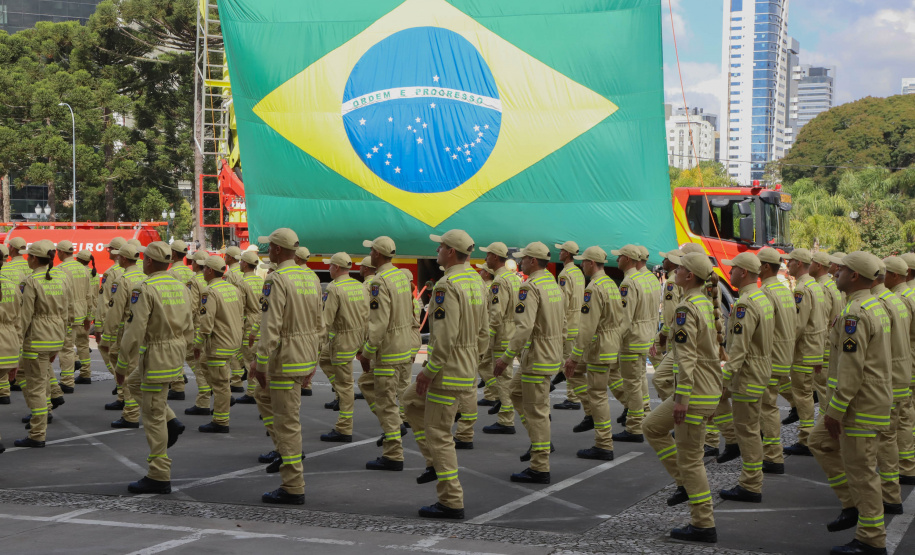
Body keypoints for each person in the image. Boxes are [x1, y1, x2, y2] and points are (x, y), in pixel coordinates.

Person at [808, 252, 891, 555]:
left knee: (863, 472)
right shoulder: (873, 305)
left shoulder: (856, 313)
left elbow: (852, 369)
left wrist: (836, 410)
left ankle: (871, 539)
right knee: (819, 442)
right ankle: (852, 504)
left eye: (841, 269)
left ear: (854, 276)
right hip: (866, 400)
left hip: (858, 404)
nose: (836, 273)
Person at [402, 230, 487, 519]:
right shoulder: (476, 280)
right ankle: (433, 464)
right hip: (464, 366)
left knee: (439, 434)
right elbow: (485, 331)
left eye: (440, 246)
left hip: (446, 370)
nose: (437, 250)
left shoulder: (446, 285)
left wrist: (429, 371)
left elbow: (444, 336)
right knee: (409, 402)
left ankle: (451, 500)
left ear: (451, 251)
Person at [643, 252, 720, 543]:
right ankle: (684, 484)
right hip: (705, 389)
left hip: (695, 392)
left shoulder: (687, 308)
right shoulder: (700, 302)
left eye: (680, 267)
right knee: (652, 427)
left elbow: (687, 358)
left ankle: (703, 523)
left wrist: (682, 399)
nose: (674, 269)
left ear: (690, 276)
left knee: (692, 461)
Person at [250, 228, 323, 504]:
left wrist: (260, 362)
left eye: (270, 246)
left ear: (278, 250)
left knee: (287, 422)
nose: (268, 250)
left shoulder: (277, 279)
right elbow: (320, 323)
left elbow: (271, 326)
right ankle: (283, 450)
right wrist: (314, 359)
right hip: (303, 356)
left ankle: (292, 484)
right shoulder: (311, 276)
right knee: (268, 402)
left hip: (284, 359)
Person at [119, 241, 193, 494]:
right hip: (175, 351)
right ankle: (171, 421)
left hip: (157, 354)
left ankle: (159, 475)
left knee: (152, 416)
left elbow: (135, 330)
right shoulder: (180, 285)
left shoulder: (145, 287)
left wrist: (121, 363)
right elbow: (189, 323)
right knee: (134, 385)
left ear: (148, 261)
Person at [494, 242, 565, 484]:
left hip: (537, 356)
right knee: (515, 392)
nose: (521, 261)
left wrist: (504, 359)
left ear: (533, 261)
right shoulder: (552, 284)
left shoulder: (530, 287)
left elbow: (524, 328)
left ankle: (540, 465)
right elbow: (563, 323)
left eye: (524, 258)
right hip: (548, 353)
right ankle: (540, 442)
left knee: (537, 413)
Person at [717, 252, 774, 502]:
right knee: (750, 426)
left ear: (743, 272)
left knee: (747, 430)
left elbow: (739, 349)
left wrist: (723, 377)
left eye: (733, 269)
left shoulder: (745, 303)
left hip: (747, 373)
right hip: (759, 369)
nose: (729, 273)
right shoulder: (761, 298)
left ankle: (751, 485)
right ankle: (750, 479)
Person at [356, 236, 415, 471]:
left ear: (377, 254)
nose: (370, 253)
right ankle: (396, 426)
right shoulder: (400, 276)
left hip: (388, 351)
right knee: (369, 386)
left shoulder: (378, 282)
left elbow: (378, 323)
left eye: (371, 250)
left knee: (386, 402)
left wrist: (367, 353)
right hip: (403, 347)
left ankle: (393, 453)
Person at [564, 246, 624, 461]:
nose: (581, 265)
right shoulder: (610, 283)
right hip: (609, 343)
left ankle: (604, 443)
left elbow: (587, 326)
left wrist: (574, 356)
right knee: (588, 383)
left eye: (584, 262)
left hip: (599, 346)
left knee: (598, 396)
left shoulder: (594, 288)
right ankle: (594, 416)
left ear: (591, 263)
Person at [14, 240, 72, 448]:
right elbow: (67, 311)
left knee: (36, 386)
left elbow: (25, 317)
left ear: (35, 258)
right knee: (31, 377)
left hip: (36, 339)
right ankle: (46, 408)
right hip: (55, 337)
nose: (27, 259)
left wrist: (17, 342)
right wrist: (62, 340)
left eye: (29, 256)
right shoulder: (62, 278)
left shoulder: (31, 281)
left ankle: (37, 433)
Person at [870, 259, 911, 515]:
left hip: (889, 378)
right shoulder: (896, 299)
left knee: (885, 438)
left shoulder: (883, 302)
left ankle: (889, 496)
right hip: (900, 373)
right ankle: (891, 492)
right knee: (893, 433)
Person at [782, 248, 828, 457]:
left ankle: (806, 438)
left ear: (798, 263)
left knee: (802, 395)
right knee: (807, 394)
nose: (787, 264)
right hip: (815, 346)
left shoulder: (802, 288)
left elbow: (798, 325)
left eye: (790, 261)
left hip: (804, 350)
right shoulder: (814, 285)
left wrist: (786, 345)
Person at [756, 247, 798, 475]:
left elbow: (763, 330)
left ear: (764, 267)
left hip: (770, 357)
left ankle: (773, 456)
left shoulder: (766, 293)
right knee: (767, 405)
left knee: (766, 407)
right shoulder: (783, 290)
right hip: (783, 355)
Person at [319, 252, 368, 443]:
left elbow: (327, 320)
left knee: (346, 385)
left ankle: (344, 427)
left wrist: (316, 342)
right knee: (324, 360)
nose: (328, 269)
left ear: (337, 268)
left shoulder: (334, 288)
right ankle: (340, 391)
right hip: (357, 336)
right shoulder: (359, 285)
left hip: (342, 340)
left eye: (330, 266)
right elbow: (366, 316)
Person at [194, 255, 244, 433]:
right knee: (207, 368)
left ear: (209, 270)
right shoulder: (232, 288)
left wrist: (197, 345)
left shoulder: (210, 291)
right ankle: (224, 398)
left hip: (219, 343)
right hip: (232, 341)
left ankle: (221, 420)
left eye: (204, 268)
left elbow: (206, 323)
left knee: (221, 383)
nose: (202, 271)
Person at [610, 244, 655, 443]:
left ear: (627, 258)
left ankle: (634, 426)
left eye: (619, 256)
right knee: (638, 381)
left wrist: (613, 341)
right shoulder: (645, 279)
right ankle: (642, 416)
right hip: (644, 336)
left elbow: (625, 319)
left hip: (632, 340)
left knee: (632, 384)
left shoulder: (629, 282)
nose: (617, 260)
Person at [481, 242, 524, 434]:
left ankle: (506, 418)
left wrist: (486, 338)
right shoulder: (514, 278)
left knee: (502, 376)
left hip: (503, 334)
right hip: (514, 330)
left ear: (495, 257)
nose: (485, 259)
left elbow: (495, 315)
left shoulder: (499, 282)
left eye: (488, 255)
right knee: (498, 373)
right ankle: (504, 403)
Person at [102, 244, 146, 426]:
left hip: (126, 329)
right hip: (143, 329)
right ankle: (136, 409)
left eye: (119, 256)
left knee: (126, 372)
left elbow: (115, 311)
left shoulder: (122, 280)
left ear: (124, 259)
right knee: (137, 371)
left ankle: (130, 414)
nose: (117, 258)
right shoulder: (144, 277)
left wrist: (106, 336)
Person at [885, 257, 915, 486]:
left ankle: (905, 467)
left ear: (895, 275)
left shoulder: (899, 300)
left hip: (906, 363)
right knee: (906, 415)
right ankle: (907, 465)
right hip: (910, 360)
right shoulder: (910, 295)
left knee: (901, 418)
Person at [53, 241, 91, 393]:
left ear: (61, 252)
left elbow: (60, 295)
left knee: (66, 348)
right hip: (81, 312)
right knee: (77, 344)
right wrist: (89, 316)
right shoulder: (82, 269)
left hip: (69, 314)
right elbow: (89, 294)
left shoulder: (60, 269)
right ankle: (75, 365)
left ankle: (67, 381)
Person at [553, 241, 586, 411]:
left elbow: (563, 301)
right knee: (570, 360)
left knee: (568, 361)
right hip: (579, 320)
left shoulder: (565, 274)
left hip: (569, 322)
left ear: (567, 254)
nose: (559, 253)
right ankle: (572, 395)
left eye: (562, 251)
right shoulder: (579, 272)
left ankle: (573, 398)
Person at [649, 249, 684, 402]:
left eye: (666, 259)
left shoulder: (671, 281)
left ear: (674, 262)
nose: (663, 261)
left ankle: (670, 397)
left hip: (671, 332)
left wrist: (664, 333)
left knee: (654, 351)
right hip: (679, 330)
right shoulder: (681, 279)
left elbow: (670, 312)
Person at [94, 237, 127, 388]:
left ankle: (121, 389)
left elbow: (105, 302)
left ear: (115, 252)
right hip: (132, 323)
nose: (107, 251)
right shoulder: (136, 271)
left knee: (111, 353)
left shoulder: (111, 273)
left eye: (109, 249)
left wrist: (99, 327)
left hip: (115, 324)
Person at [811, 251, 844, 400]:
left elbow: (822, 321)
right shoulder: (831, 286)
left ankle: (825, 422)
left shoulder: (823, 287)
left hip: (826, 343)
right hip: (834, 339)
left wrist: (817, 353)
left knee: (824, 389)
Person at [184, 250, 213, 414]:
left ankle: (204, 399)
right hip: (211, 325)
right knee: (206, 361)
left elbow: (192, 307)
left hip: (197, 326)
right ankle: (215, 388)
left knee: (195, 360)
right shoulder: (213, 279)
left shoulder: (194, 281)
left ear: (196, 264)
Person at [235, 251, 264, 404]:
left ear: (245, 264)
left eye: (241, 262)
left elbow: (240, 308)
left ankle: (252, 392)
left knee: (249, 359)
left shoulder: (242, 283)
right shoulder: (261, 280)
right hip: (263, 322)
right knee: (259, 359)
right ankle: (260, 389)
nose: (239, 263)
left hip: (250, 323)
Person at [166, 241, 193, 400]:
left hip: (175, 316)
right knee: (188, 352)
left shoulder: (170, 274)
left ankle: (177, 386)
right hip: (189, 316)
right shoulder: (191, 273)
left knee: (173, 353)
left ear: (173, 254)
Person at [294, 246, 321, 397]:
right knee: (308, 353)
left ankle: (298, 384)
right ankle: (307, 384)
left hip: (297, 321)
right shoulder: (314, 276)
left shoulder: (293, 275)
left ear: (297, 258)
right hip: (311, 322)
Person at [0, 246, 22, 420]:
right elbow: (18, 322)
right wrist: (17, 356)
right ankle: (4, 391)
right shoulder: (13, 286)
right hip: (9, 345)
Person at [73, 250, 97, 385]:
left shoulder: (78, 273)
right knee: (83, 343)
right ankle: (86, 373)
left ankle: (75, 361)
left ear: (78, 259)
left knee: (66, 343)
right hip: (88, 312)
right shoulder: (93, 273)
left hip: (76, 312)